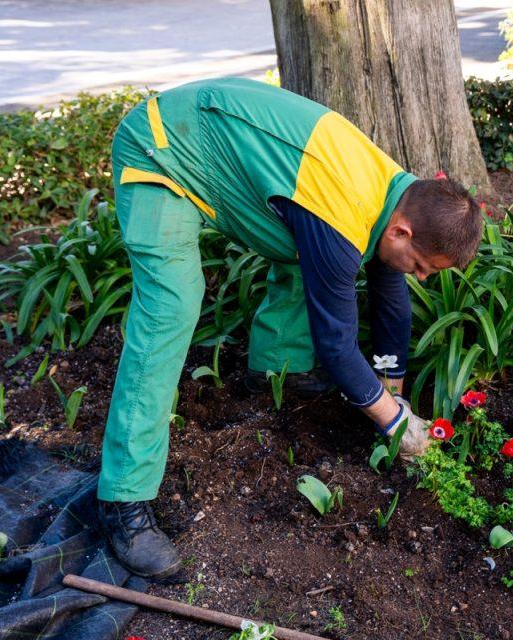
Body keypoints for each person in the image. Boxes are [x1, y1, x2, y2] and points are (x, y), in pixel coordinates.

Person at [97, 77, 483, 578]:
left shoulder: (397, 196)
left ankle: (278, 371)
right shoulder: (344, 211)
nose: (421, 277)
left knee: (320, 255)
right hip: (164, 148)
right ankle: (122, 501)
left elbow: (392, 302)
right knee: (172, 306)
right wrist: (394, 425)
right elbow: (338, 345)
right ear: (403, 231)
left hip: (222, 146)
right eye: (423, 266)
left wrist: (394, 394)